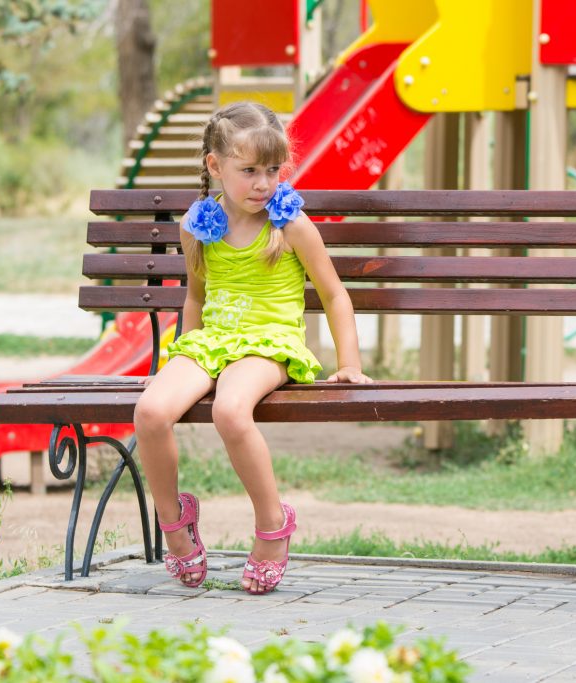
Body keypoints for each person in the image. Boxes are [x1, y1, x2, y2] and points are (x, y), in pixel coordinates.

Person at [133, 101, 372, 595]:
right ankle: (174, 522)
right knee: (151, 412)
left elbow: (333, 293)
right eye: (249, 171)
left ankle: (272, 523)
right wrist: (185, 354)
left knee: (231, 411)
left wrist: (349, 364)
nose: (263, 183)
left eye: (272, 170)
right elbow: (196, 296)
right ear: (215, 167)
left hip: (268, 343)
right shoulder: (198, 225)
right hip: (213, 341)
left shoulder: (291, 225)